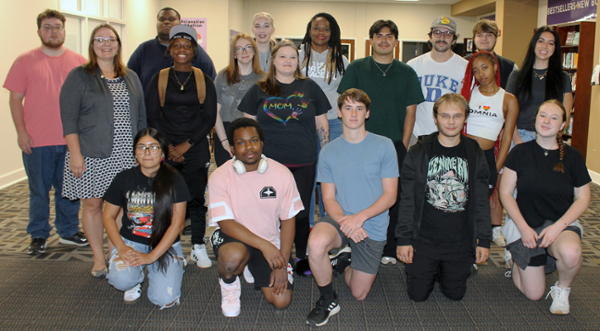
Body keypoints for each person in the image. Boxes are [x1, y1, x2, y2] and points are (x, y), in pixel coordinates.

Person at [306, 89, 398, 327]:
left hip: (372, 223)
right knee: (315, 244)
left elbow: (390, 196)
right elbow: (328, 199)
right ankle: (328, 298)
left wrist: (359, 219)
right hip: (339, 219)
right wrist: (347, 222)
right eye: (348, 108)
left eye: (359, 108)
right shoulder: (328, 151)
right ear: (339, 113)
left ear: (367, 113)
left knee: (359, 293)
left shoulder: (384, 145)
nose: (353, 113)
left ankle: (345, 261)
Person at [60, 24, 146, 277]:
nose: (106, 44)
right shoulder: (79, 76)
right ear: (92, 44)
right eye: (100, 40)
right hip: (91, 154)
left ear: (118, 44)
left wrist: (142, 152)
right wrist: (75, 154)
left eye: (111, 39)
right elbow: (68, 119)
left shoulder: (131, 76)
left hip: (126, 154)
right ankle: (98, 258)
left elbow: (141, 118)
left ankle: (116, 254)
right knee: (94, 205)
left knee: (120, 208)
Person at [338, 19, 424, 265]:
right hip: (359, 144)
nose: (384, 40)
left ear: (395, 41)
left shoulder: (406, 72)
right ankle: (351, 242)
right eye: (379, 35)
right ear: (371, 40)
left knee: (392, 197)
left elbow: (411, 111)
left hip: (394, 144)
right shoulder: (357, 67)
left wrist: (403, 145)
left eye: (389, 36)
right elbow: (347, 105)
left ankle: (389, 247)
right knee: (356, 193)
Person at [4, 9, 88, 255]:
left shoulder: (79, 61)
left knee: (69, 190)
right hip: (37, 141)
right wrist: (21, 132)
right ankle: (38, 234)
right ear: (39, 31)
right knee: (39, 191)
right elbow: (15, 100)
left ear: (64, 30)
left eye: (58, 27)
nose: (53, 32)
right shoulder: (24, 60)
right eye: (48, 27)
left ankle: (68, 231)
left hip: (71, 141)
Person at [239, 39, 330, 267]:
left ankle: (300, 257)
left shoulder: (310, 87)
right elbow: (246, 125)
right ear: (273, 61)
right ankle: (269, 255)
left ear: (297, 61)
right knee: (268, 213)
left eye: (292, 57)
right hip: (268, 165)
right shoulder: (259, 89)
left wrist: (326, 153)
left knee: (300, 214)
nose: (287, 61)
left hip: (304, 162)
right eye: (282, 56)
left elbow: (321, 122)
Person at [396, 93, 492, 302]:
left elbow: (482, 200)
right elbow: (407, 200)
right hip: (425, 240)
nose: (450, 121)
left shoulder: (474, 152)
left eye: (457, 116)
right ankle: (428, 269)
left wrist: (484, 240)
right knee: (418, 295)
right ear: (435, 117)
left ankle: (446, 270)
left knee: (455, 294)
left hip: (459, 241)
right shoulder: (418, 151)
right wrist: (404, 239)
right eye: (445, 115)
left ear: (465, 118)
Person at [499, 100, 590, 315]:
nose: (546, 121)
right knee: (534, 294)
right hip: (525, 225)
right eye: (542, 115)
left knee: (571, 253)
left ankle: (562, 288)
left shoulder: (573, 157)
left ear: (563, 125)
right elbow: (505, 193)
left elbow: (583, 198)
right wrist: (523, 228)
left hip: (560, 226)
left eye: (554, 117)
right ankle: (516, 261)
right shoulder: (520, 152)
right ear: (536, 119)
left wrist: (557, 228)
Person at [208, 118, 303, 317]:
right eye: (241, 143)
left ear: (262, 143)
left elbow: (288, 221)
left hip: (268, 240)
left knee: (281, 301)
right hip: (232, 239)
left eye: (253, 140)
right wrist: (264, 246)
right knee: (232, 259)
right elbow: (225, 224)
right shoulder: (219, 176)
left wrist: (282, 265)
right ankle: (229, 284)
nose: (248, 147)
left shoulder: (282, 173)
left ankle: (251, 264)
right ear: (232, 148)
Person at [146, 25, 217, 269]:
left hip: (195, 147)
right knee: (167, 199)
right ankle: (172, 246)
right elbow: (153, 115)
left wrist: (185, 146)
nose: (182, 50)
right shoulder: (161, 78)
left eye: (187, 45)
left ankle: (198, 246)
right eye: (176, 45)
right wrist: (168, 147)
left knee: (196, 199)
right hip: (166, 148)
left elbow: (208, 117)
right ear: (170, 50)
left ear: (194, 50)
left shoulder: (204, 79)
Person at [103, 128, 190, 308]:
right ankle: (134, 280)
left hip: (164, 244)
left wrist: (151, 257)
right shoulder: (123, 178)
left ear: (162, 152)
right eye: (141, 147)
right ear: (135, 152)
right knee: (121, 280)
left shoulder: (175, 179)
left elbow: (177, 224)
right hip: (131, 243)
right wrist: (121, 248)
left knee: (164, 300)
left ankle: (163, 266)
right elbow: (108, 216)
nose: (147, 152)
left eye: (153, 147)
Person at [460, 51, 519, 246]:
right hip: (464, 155)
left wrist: (495, 167)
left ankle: (476, 250)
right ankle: (459, 250)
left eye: (485, 68)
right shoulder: (467, 94)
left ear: (495, 67)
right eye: (476, 71)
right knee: (459, 205)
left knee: (478, 207)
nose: (481, 74)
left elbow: (507, 137)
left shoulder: (508, 99)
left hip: (486, 159)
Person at [298, 12, 349, 227]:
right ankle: (308, 227)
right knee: (307, 176)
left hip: (334, 124)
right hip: (303, 124)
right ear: (309, 30)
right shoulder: (298, 55)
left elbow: (346, 92)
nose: (320, 32)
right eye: (316, 28)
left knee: (329, 176)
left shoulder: (341, 59)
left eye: (326, 29)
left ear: (332, 33)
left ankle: (329, 227)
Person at [127, 7, 216, 96]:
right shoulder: (144, 49)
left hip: (187, 108)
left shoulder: (193, 50)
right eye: (162, 19)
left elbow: (211, 81)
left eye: (171, 19)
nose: (166, 22)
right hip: (150, 108)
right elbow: (129, 81)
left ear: (179, 23)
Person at [507, 26, 573, 145]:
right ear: (534, 44)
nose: (545, 46)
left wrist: (554, 139)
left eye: (550, 43)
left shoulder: (563, 78)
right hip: (519, 136)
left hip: (549, 138)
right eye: (541, 41)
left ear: (555, 48)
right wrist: (518, 141)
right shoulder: (516, 76)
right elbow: (507, 112)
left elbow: (566, 113)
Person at [408, 16, 468, 140]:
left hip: (450, 136)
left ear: (454, 39)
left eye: (447, 34)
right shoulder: (413, 65)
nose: (442, 38)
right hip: (417, 134)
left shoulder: (465, 67)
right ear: (430, 37)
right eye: (437, 33)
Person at [214, 33, 265, 167]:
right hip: (225, 133)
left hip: (253, 134)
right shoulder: (223, 76)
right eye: (239, 48)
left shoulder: (263, 79)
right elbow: (214, 112)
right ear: (234, 54)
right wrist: (225, 141)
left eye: (248, 47)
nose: (244, 52)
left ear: (254, 51)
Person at [465, 19, 517, 89]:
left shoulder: (510, 67)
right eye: (479, 35)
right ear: (474, 39)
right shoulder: (463, 63)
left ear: (496, 39)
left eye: (489, 35)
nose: (484, 38)